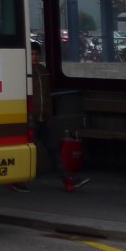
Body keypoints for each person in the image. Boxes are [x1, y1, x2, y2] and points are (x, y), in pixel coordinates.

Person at [31, 41, 88, 192]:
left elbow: (47, 94)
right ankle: (15, 180)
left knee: (53, 149)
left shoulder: (44, 71)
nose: (34, 57)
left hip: (44, 117)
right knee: (30, 149)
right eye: (32, 55)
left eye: (36, 54)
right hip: (31, 117)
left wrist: (49, 112)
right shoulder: (26, 72)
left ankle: (66, 178)